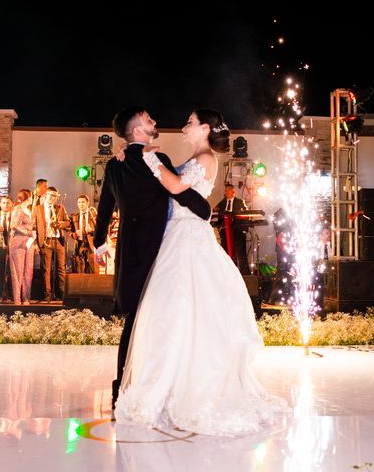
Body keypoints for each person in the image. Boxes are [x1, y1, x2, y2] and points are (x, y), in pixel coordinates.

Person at [113, 109, 287, 436]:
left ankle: (190, 389)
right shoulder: (194, 157)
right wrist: (131, 155)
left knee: (186, 309)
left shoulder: (207, 158)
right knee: (168, 314)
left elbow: (177, 186)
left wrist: (150, 160)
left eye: (190, 122)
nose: (184, 126)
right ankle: (165, 385)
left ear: (205, 128)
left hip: (189, 240)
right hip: (174, 237)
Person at [93, 106, 212, 409]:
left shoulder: (114, 165)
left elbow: (105, 206)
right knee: (162, 318)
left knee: (135, 320)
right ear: (137, 131)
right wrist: (205, 211)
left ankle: (123, 388)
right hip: (160, 248)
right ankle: (165, 387)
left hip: (132, 251)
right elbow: (178, 193)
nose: (155, 121)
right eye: (148, 120)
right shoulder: (157, 160)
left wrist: (99, 242)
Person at [32, 187, 70, 301]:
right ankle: (47, 294)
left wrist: (60, 224)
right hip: (46, 241)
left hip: (58, 241)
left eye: (55, 196)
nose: (53, 198)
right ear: (45, 195)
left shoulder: (60, 208)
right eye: (51, 195)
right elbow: (33, 227)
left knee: (61, 268)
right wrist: (35, 243)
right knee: (46, 269)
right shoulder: (37, 209)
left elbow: (68, 223)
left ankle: (62, 294)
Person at [9, 189, 36, 305]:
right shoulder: (18, 209)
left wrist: (32, 234)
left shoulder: (29, 210)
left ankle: (26, 298)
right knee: (17, 271)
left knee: (28, 271)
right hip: (18, 242)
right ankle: (17, 299)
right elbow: (13, 225)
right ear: (28, 197)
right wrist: (28, 232)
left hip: (29, 243)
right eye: (31, 196)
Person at [215, 184, 250, 273]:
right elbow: (218, 216)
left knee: (240, 253)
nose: (226, 191)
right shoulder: (222, 203)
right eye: (225, 190)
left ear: (233, 192)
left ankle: (244, 273)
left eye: (228, 189)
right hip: (225, 232)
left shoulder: (240, 202)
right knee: (225, 252)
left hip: (237, 232)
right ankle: (227, 272)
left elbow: (245, 215)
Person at [70, 194, 98, 273]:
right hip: (80, 244)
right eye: (79, 202)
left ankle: (95, 284)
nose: (80, 204)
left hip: (91, 245)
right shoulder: (75, 216)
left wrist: (92, 230)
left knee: (94, 270)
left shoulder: (94, 215)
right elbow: (70, 231)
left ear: (87, 203)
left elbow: (101, 230)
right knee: (80, 270)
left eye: (83, 202)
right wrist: (74, 234)